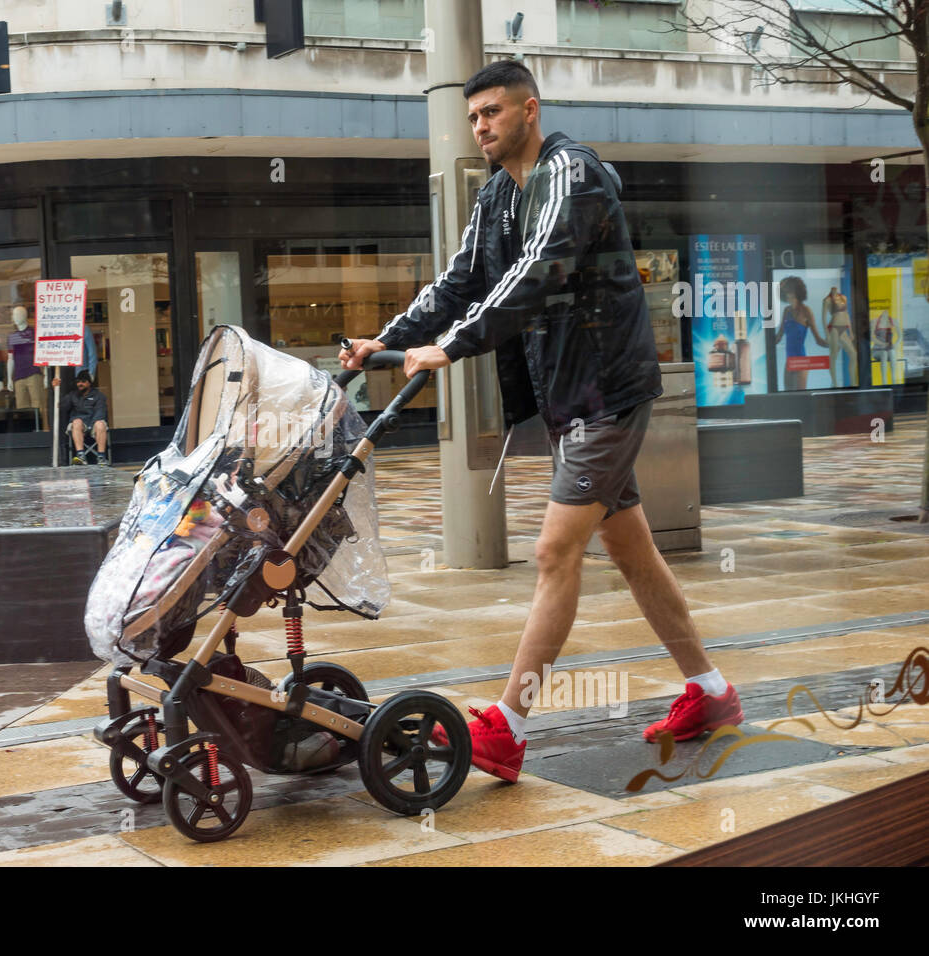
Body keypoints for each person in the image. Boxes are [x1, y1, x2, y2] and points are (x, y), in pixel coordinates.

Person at [341, 60, 742, 782]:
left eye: (492, 112)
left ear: (530, 109)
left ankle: (509, 727)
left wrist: (451, 347)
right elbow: (460, 281)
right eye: (472, 117)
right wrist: (386, 342)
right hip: (567, 398)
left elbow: (540, 269)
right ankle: (711, 693)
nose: (481, 127)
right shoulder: (498, 195)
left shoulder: (572, 175)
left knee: (555, 552)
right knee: (633, 553)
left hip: (607, 394)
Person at [775, 276, 827, 391]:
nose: (786, 295)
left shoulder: (806, 311)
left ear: (795, 292)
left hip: (801, 362)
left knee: (799, 398)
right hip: (789, 362)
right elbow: (779, 336)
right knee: (788, 398)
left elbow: (818, 340)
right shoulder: (787, 311)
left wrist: (833, 344)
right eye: (784, 292)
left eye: (787, 291)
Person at [51, 369, 109, 464]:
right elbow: (62, 406)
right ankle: (81, 456)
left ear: (89, 383)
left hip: (94, 423)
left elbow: (100, 413)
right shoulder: (73, 395)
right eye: (78, 382)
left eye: (83, 381)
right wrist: (55, 389)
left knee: (100, 424)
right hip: (80, 425)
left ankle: (101, 457)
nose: (80, 384)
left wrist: (90, 427)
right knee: (76, 422)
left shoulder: (99, 395)